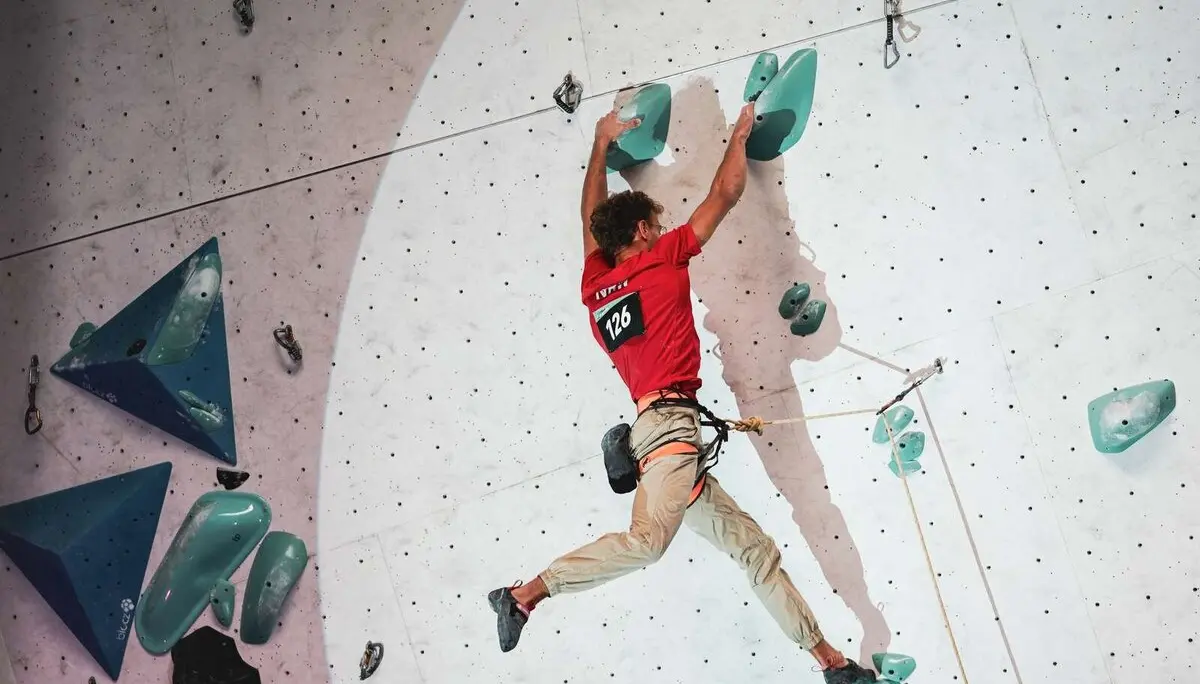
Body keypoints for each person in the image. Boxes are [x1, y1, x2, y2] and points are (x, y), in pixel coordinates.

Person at [488, 102, 879, 683]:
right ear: (644, 232)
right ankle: (524, 594)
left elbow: (591, 217)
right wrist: (738, 137)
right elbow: (723, 195)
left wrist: (600, 146)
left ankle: (832, 663)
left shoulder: (595, 283)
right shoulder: (662, 259)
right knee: (647, 543)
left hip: (674, 435)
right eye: (657, 221)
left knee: (754, 550)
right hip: (669, 430)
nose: (664, 226)